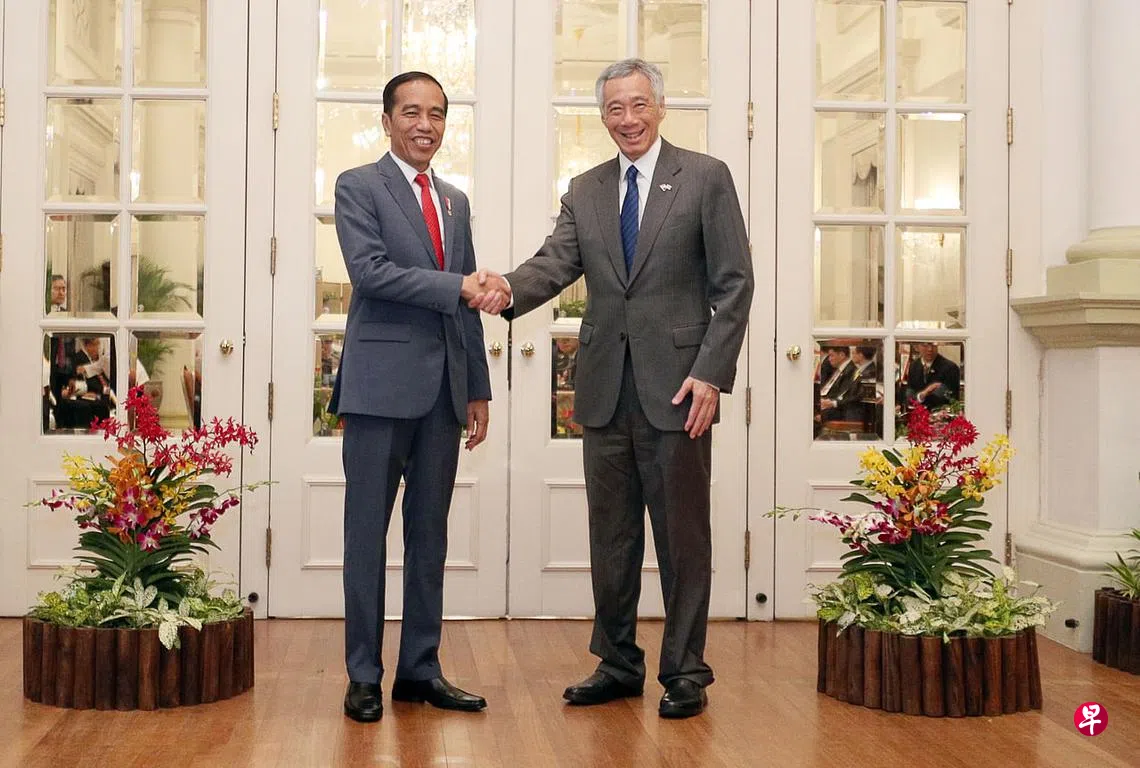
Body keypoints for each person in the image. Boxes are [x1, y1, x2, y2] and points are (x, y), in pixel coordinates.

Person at [473, 58, 754, 719]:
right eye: (614, 109)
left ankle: (685, 670)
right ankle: (619, 662)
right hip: (604, 389)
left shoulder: (705, 177)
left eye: (638, 105)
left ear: (660, 106)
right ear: (602, 116)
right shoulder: (587, 188)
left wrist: (712, 372)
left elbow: (735, 283)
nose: (627, 119)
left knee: (683, 538)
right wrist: (507, 287)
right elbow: (556, 262)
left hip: (680, 389)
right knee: (613, 535)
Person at [330, 70, 499, 723]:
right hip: (378, 390)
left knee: (430, 539)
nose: (425, 125)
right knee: (366, 537)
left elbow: (469, 305)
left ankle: (420, 670)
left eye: (436, 114)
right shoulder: (358, 186)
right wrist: (457, 287)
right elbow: (370, 273)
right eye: (411, 112)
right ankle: (363, 675)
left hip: (444, 394)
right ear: (387, 120)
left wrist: (477, 387)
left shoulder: (455, 201)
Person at [904, 342, 961, 410]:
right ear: (916, 347)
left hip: (941, 413)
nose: (930, 349)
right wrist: (923, 394)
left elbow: (952, 399)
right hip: (917, 413)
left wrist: (923, 396)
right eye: (925, 345)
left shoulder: (950, 367)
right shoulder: (913, 366)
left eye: (934, 345)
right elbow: (910, 395)